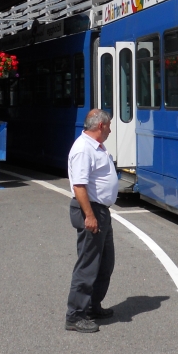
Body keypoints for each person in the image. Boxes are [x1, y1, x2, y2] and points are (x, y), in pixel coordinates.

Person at [65, 109, 119, 334]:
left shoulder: (96, 146)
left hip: (101, 212)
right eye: (108, 126)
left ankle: (91, 306)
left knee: (105, 263)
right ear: (100, 126)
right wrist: (89, 215)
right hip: (92, 211)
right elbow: (79, 186)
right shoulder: (83, 149)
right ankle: (75, 315)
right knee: (88, 266)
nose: (110, 129)